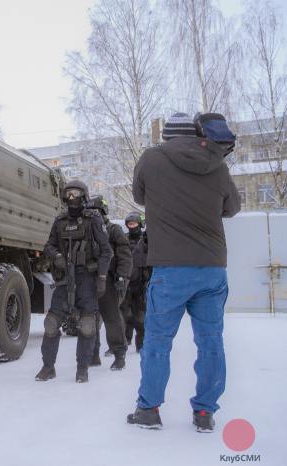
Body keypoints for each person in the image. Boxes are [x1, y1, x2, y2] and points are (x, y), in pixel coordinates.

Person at [126, 112, 241, 432]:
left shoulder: (152, 159)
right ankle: (205, 413)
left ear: (166, 136)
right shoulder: (216, 162)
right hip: (211, 269)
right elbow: (232, 208)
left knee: (158, 342)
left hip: (170, 270)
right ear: (197, 134)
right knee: (211, 342)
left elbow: (138, 197)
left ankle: (149, 410)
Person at [36, 180, 113, 383]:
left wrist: (102, 278)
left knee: (87, 325)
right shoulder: (60, 220)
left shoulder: (93, 219)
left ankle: (82, 369)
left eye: (76, 193)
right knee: (51, 323)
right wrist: (57, 257)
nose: (72, 198)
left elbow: (107, 251)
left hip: (87, 279)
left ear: (84, 195)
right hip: (64, 280)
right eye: (68, 194)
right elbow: (48, 246)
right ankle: (48, 367)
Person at [87, 195, 132, 371]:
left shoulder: (114, 230)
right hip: (90, 282)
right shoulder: (86, 230)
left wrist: (122, 277)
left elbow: (125, 257)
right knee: (90, 319)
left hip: (110, 281)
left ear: (103, 212)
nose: (92, 215)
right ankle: (93, 354)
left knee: (112, 318)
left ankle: (119, 354)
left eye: (96, 211)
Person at [121, 211, 151, 353]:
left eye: (134, 223)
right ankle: (125, 340)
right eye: (129, 224)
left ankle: (141, 344)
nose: (132, 226)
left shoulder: (145, 239)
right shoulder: (123, 239)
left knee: (140, 316)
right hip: (126, 283)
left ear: (139, 224)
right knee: (125, 315)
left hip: (141, 283)